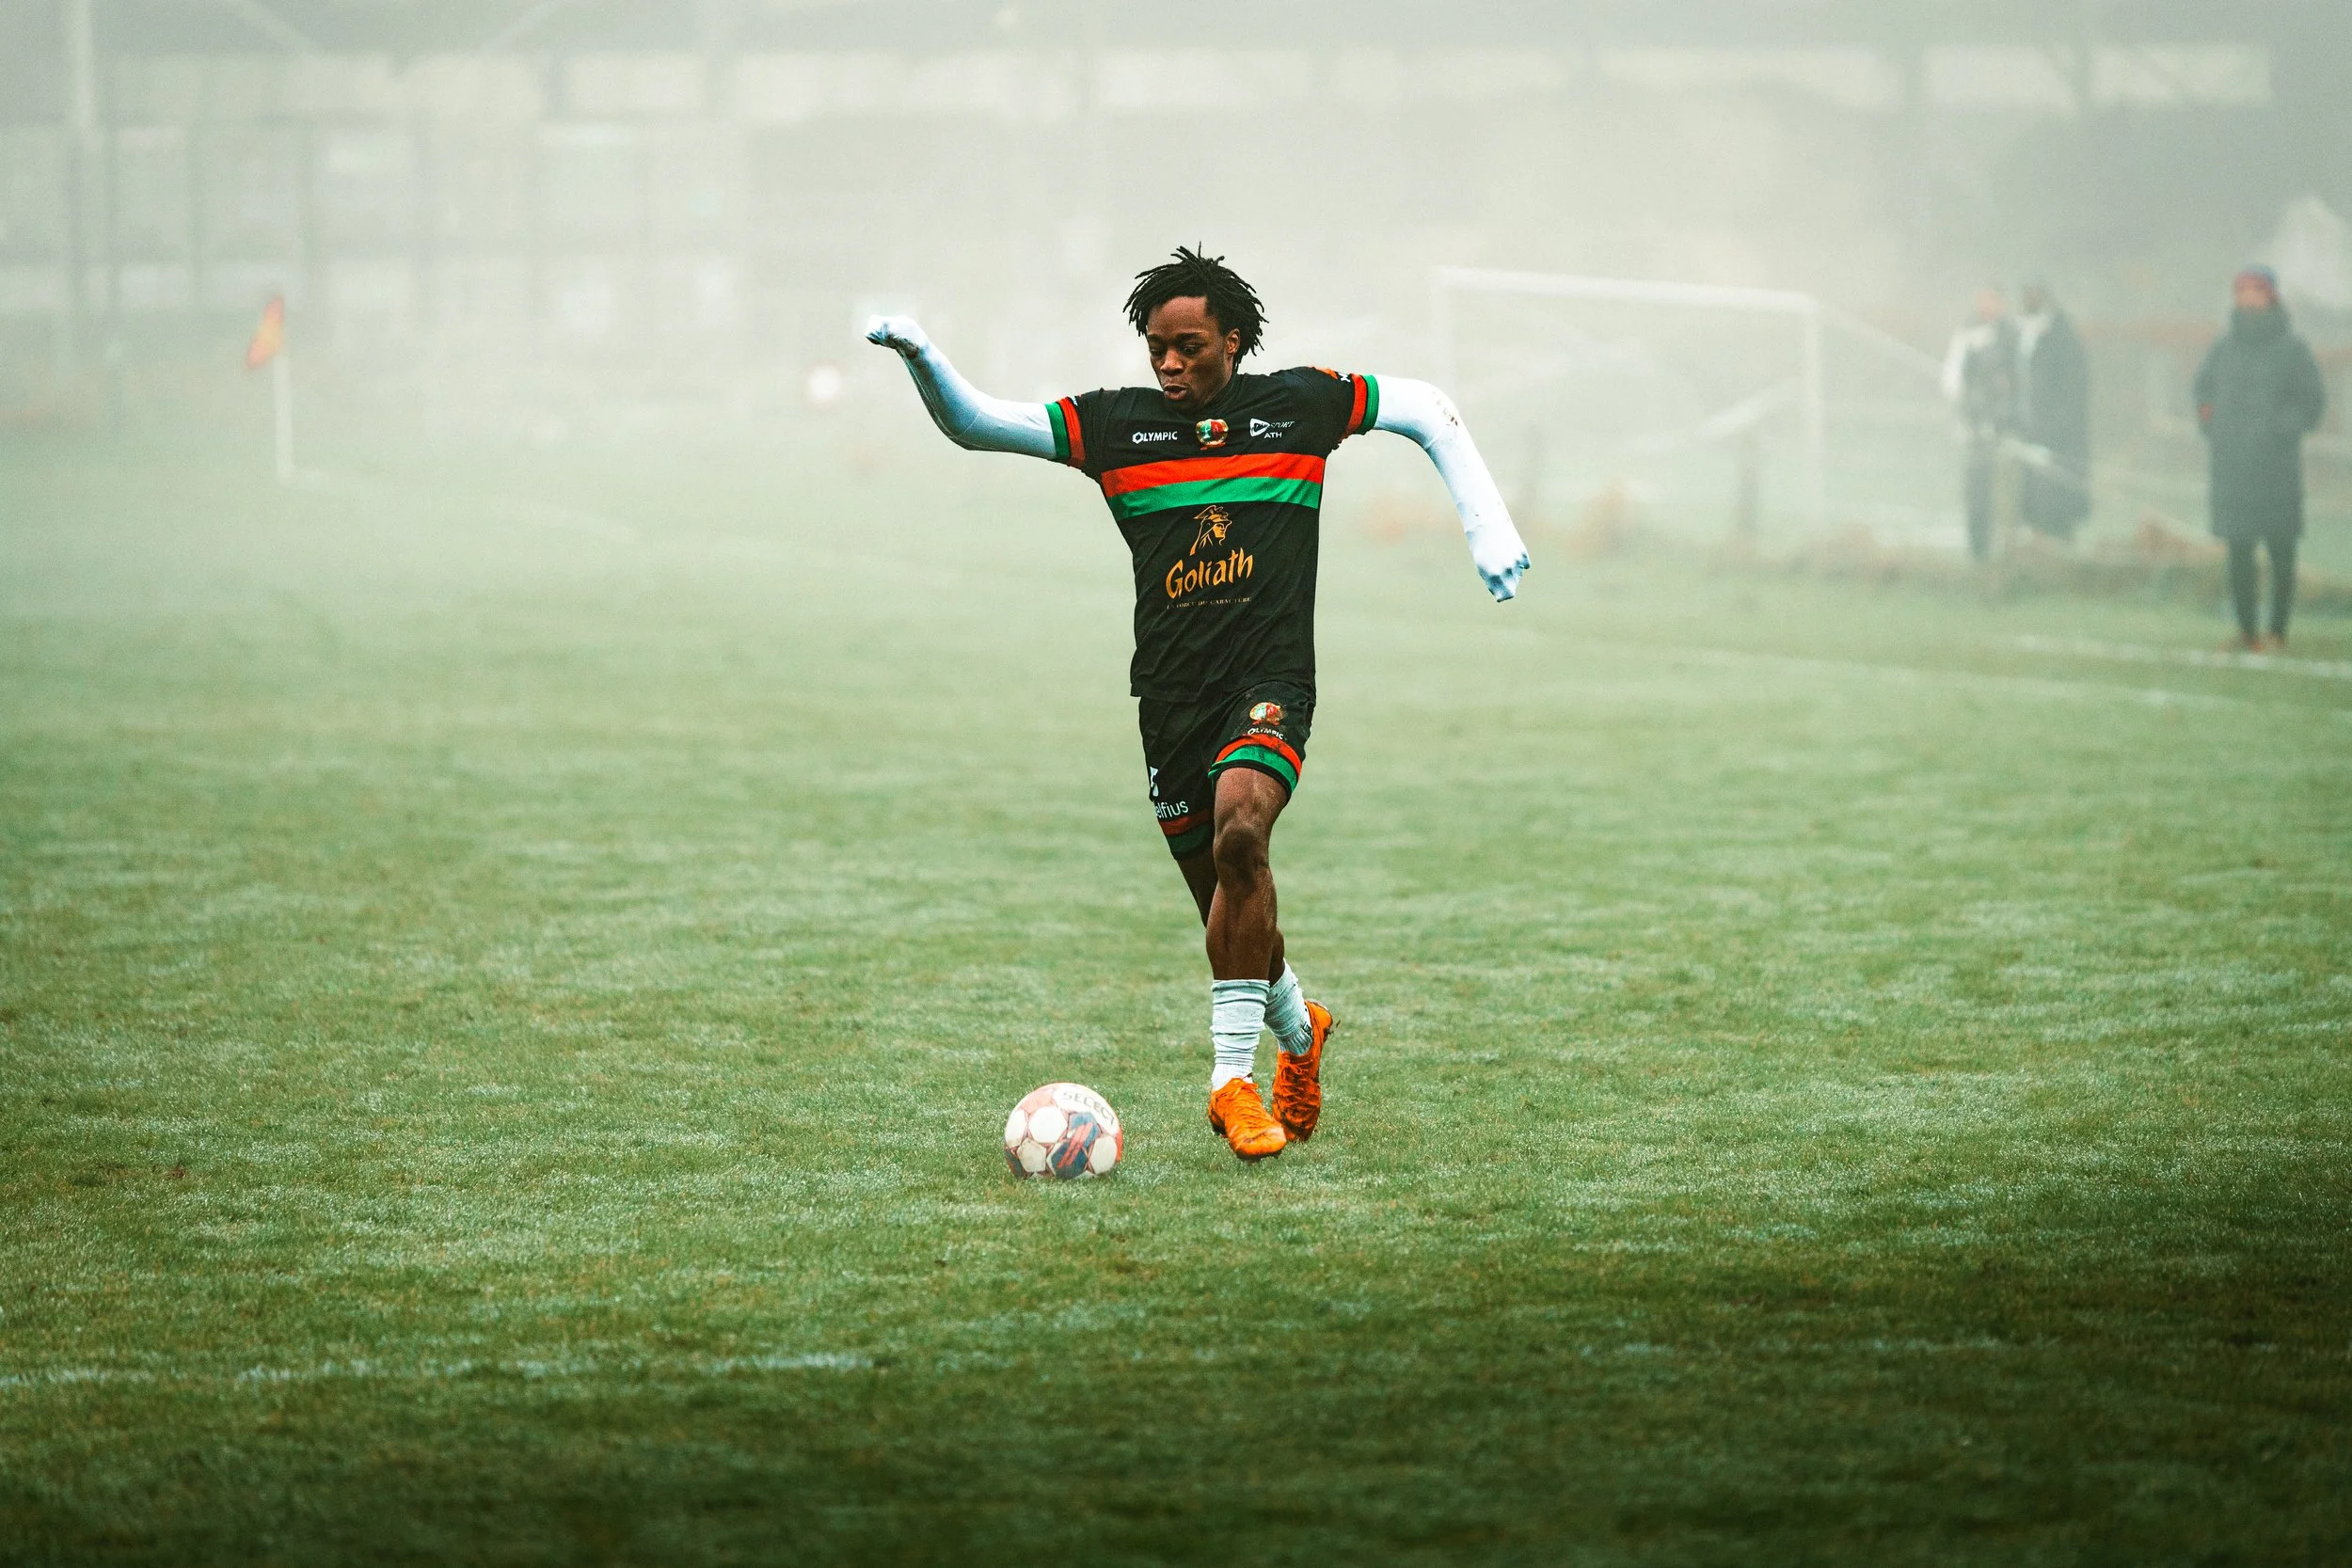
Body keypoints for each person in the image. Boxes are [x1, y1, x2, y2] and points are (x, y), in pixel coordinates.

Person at [866, 247, 1528, 1162]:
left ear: (1234, 340)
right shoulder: (1115, 427)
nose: (1170, 366)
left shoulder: (1296, 407)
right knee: (1228, 902)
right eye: (1156, 350)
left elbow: (1423, 407)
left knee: (1242, 834)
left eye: (1188, 348)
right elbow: (979, 425)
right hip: (1168, 697)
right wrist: (921, 359)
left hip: (1269, 679)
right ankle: (1302, 1029)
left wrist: (1484, 518)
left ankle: (1230, 1082)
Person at [2193, 265, 2328, 651]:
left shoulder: (2292, 349)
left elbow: (2311, 403)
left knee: (2281, 550)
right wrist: (2212, 424)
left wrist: (2280, 429)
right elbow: (2202, 393)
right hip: (2232, 470)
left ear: (2272, 296)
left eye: (2256, 289)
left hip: (2276, 470)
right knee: (2238, 551)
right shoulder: (2223, 348)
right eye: (2241, 290)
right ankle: (2247, 631)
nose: (2248, 296)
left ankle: (2278, 632)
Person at [1941, 285, 2020, 562]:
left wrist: (2008, 412)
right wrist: (1967, 411)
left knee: (2009, 489)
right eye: (1983, 300)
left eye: (1993, 301)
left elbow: (2018, 379)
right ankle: (1978, 548)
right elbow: (1951, 379)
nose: (1988, 306)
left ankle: (2011, 549)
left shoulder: (2011, 335)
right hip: (1975, 428)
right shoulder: (1967, 332)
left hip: (2005, 428)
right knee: (1977, 487)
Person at [2013, 279, 2092, 542]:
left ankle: (2060, 538)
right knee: (2033, 489)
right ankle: (2037, 537)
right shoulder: (2019, 334)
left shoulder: (2061, 336)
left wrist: (2055, 422)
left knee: (2058, 490)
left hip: (2058, 431)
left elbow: (2073, 387)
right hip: (2028, 426)